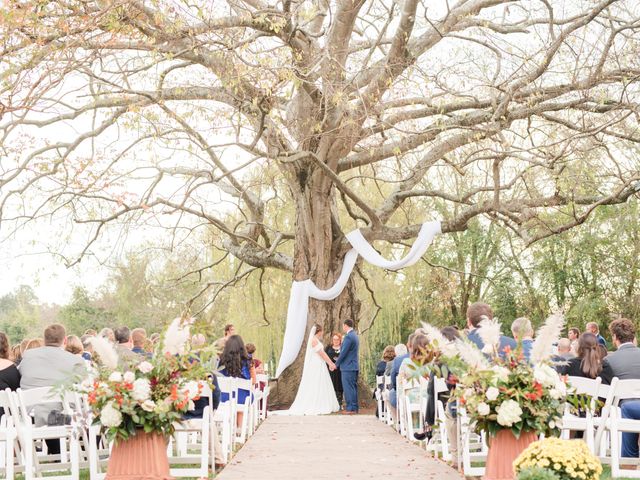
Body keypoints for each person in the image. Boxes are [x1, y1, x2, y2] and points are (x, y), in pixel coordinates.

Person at [19, 324, 86, 454]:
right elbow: (82, 386)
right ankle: (87, 451)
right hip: (64, 416)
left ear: (44, 340)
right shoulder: (75, 361)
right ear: (65, 340)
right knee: (88, 412)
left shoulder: (28, 356)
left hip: (30, 416)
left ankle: (57, 453)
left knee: (49, 410)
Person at [275, 324, 340, 416]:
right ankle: (317, 403)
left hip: (319, 363)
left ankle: (321, 401)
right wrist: (330, 363)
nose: (322, 333)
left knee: (321, 382)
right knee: (316, 382)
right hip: (316, 364)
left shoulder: (315, 340)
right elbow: (322, 353)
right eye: (322, 331)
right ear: (319, 331)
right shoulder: (314, 340)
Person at [599, 318, 640, 459]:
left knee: (625, 408)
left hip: (624, 410)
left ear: (615, 337)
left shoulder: (608, 360)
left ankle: (629, 458)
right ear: (633, 337)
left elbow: (604, 394)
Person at [219, 335, 255, 426]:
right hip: (243, 398)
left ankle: (229, 426)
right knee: (241, 395)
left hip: (224, 398)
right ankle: (240, 428)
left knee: (230, 395)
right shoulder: (248, 360)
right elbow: (253, 381)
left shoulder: (221, 360)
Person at [387, 333, 415, 422]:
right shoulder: (430, 360)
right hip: (428, 397)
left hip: (408, 396)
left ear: (408, 345)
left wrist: (397, 389)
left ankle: (398, 421)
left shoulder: (402, 361)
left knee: (390, 394)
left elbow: (394, 380)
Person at [335, 319, 360, 414]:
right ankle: (354, 407)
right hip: (353, 366)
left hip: (348, 367)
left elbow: (343, 352)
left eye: (343, 326)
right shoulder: (355, 335)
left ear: (345, 325)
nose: (343, 328)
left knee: (348, 388)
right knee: (353, 387)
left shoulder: (349, 337)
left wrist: (336, 364)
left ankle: (350, 408)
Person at [325, 333, 343, 408]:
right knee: (331, 385)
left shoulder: (342, 348)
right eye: (334, 339)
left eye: (337, 339)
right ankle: (331, 403)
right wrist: (329, 365)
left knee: (340, 386)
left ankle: (340, 403)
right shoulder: (328, 348)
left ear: (340, 340)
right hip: (331, 370)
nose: (335, 341)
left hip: (340, 370)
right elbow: (324, 357)